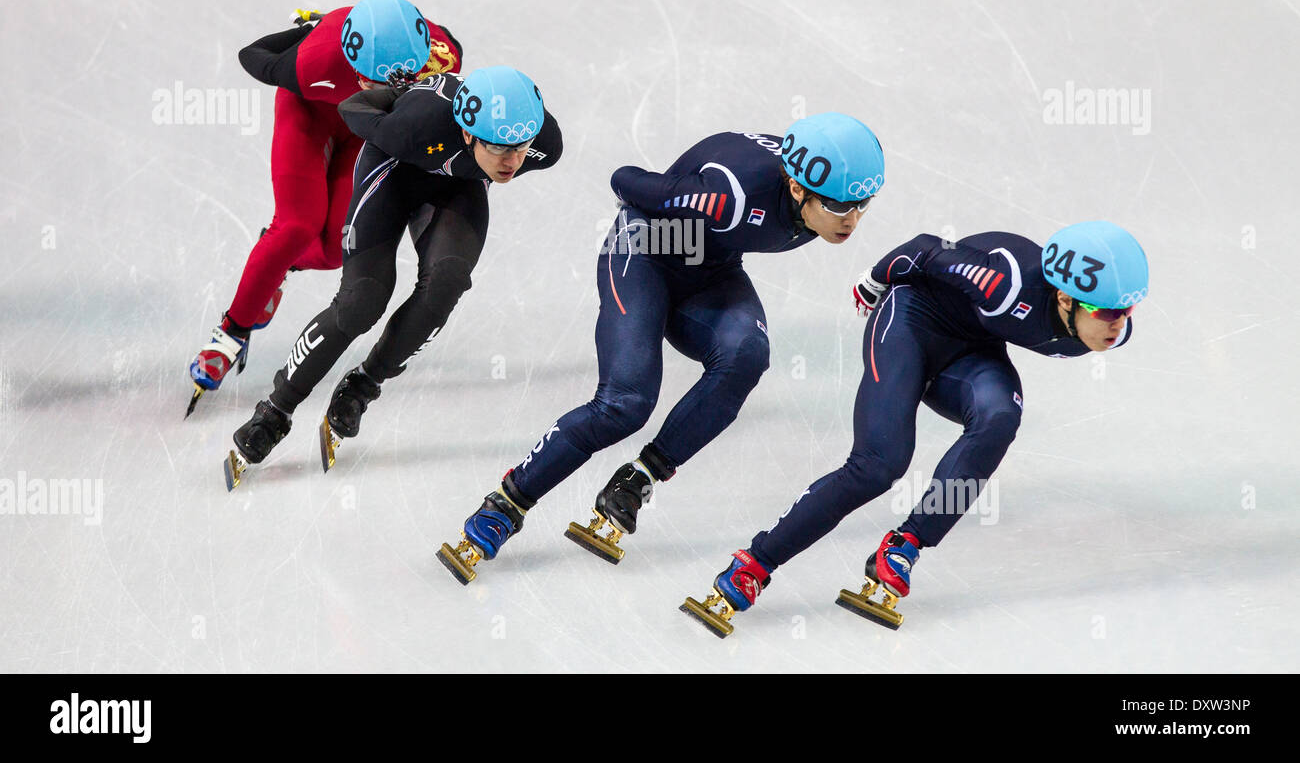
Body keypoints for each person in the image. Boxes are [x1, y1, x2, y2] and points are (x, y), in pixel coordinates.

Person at [438, 114, 886, 583]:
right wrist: (683, 200)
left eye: (862, 205)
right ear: (797, 189)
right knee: (625, 404)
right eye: (839, 207)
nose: (852, 220)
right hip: (644, 250)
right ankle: (506, 504)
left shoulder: (812, 180)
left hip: (708, 265)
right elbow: (624, 180)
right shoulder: (728, 197)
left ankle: (637, 481)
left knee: (747, 354)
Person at [682, 220, 1149, 636]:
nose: (1119, 325)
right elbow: (926, 249)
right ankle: (755, 564)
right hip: (909, 326)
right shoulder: (1002, 283)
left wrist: (1110, 316)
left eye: (1127, 311)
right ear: (1066, 298)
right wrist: (873, 280)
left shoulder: (1104, 325)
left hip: (970, 351)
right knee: (878, 465)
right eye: (1109, 313)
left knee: (1000, 416)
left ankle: (904, 544)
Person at [222, 65, 562, 489]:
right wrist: (398, 94)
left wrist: (497, 154)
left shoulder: (544, 145)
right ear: (470, 133)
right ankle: (275, 411)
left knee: (448, 282)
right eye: (499, 148)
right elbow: (352, 106)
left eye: (520, 146)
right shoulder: (416, 123)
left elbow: (513, 150)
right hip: (393, 171)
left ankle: (363, 385)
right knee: (362, 303)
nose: (512, 162)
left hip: (456, 187)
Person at [187, 0, 462, 417]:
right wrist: (307, 32)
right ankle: (232, 330)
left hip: (362, 129)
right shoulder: (314, 58)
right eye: (369, 79)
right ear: (351, 60)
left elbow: (451, 55)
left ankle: (281, 264)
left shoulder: (441, 57)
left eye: (394, 84)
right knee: (296, 226)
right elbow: (253, 54)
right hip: (309, 115)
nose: (378, 90)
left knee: (337, 250)